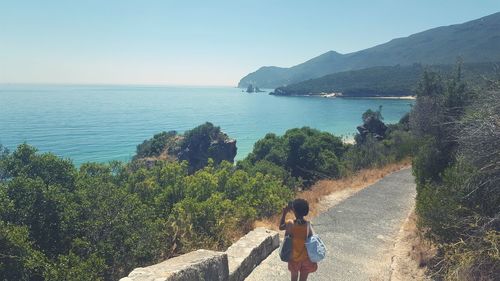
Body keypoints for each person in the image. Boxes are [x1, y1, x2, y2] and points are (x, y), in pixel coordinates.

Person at [279, 198, 317, 281]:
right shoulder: (309, 225)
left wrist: (284, 213)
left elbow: (281, 227)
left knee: (294, 278)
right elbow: (311, 240)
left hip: (294, 258)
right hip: (306, 259)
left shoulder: (290, 223)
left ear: (294, 211)